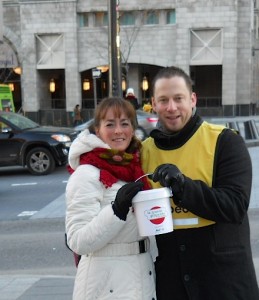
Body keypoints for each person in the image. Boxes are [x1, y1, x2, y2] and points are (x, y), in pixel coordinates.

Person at [141, 66, 259, 300]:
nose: (171, 107)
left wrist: (182, 186)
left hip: (224, 283)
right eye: (163, 100)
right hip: (173, 284)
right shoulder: (144, 152)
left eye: (178, 98)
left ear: (192, 99)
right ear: (153, 103)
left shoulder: (225, 141)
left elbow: (235, 206)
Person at [65, 97, 157, 300]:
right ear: (97, 130)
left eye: (125, 124)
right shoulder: (87, 173)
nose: (118, 131)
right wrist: (116, 211)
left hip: (141, 274)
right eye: (110, 124)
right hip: (106, 285)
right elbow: (77, 241)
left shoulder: (135, 168)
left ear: (133, 129)